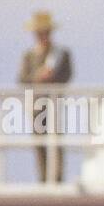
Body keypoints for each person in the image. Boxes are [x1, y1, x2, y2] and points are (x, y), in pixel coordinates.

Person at [19, 10, 73, 183]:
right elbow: (22, 78)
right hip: (36, 103)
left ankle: (57, 178)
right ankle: (43, 178)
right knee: (39, 140)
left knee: (56, 139)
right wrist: (38, 76)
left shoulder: (61, 53)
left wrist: (52, 77)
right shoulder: (29, 55)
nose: (42, 35)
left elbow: (67, 75)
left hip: (54, 101)